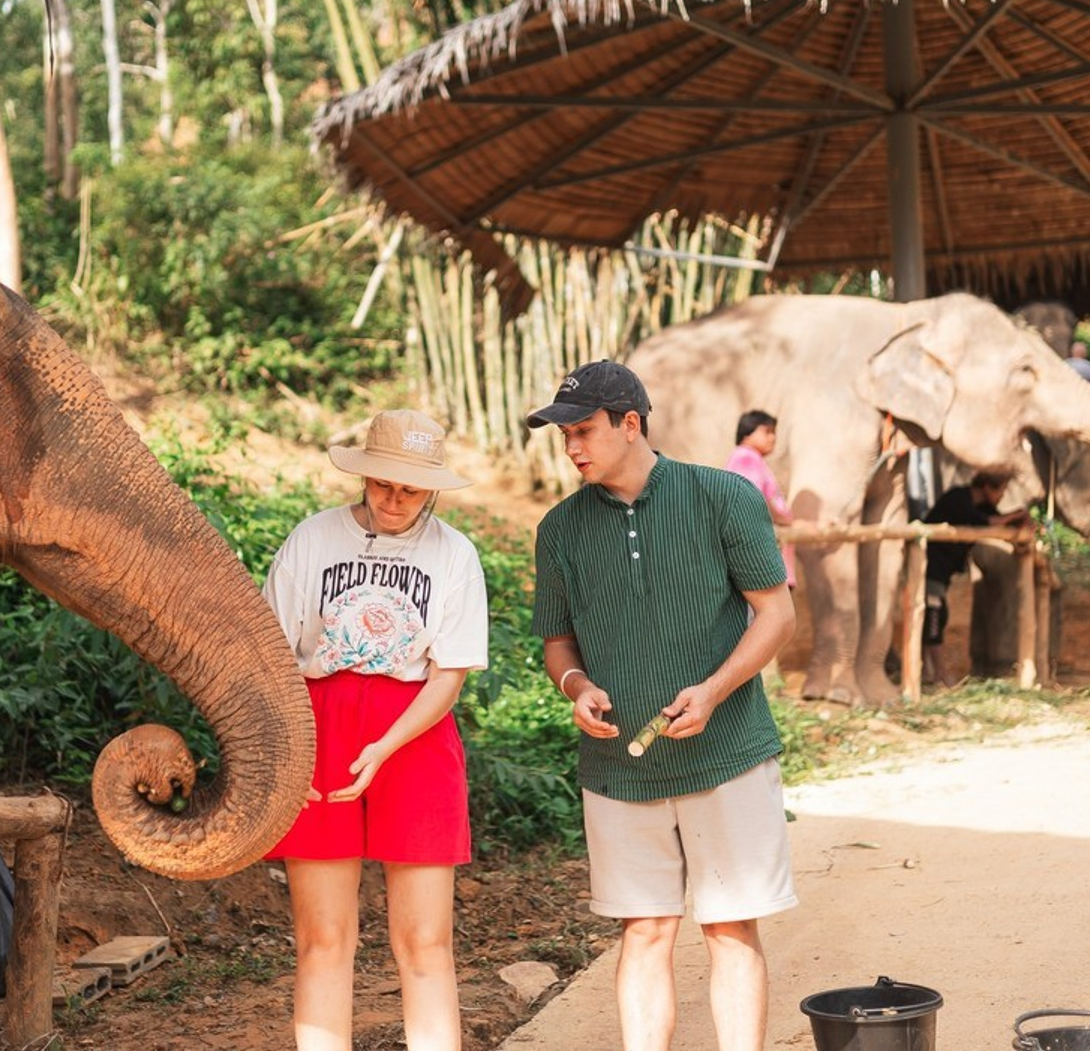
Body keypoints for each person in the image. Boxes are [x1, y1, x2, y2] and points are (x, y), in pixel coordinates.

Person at [527, 360, 798, 1051]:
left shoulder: (724, 497)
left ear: (630, 423)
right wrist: (576, 688)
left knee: (730, 927)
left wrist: (715, 689)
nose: (572, 448)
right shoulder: (560, 528)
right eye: (565, 435)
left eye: (583, 430)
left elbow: (775, 614)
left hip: (729, 754)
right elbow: (559, 644)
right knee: (644, 930)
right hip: (618, 769)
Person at [262, 409, 489, 1051]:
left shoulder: (454, 554)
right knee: (323, 938)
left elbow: (449, 676)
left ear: (434, 489)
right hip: (320, 727)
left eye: (411, 488)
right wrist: (289, 752)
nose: (394, 499)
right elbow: (274, 658)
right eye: (382, 483)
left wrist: (388, 746)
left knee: (424, 941)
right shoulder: (312, 540)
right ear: (362, 475)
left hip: (415, 734)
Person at [921, 471, 1029, 687]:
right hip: (927, 567)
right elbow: (985, 522)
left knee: (935, 616)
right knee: (935, 617)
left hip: (942, 572)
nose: (1001, 496)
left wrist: (1022, 521)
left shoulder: (983, 506)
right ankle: (938, 673)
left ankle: (927, 672)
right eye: (1001, 490)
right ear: (988, 486)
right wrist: (1014, 515)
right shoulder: (959, 498)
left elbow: (997, 522)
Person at [724, 410, 796, 589]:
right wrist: (783, 518)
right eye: (767, 431)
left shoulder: (750, 459)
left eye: (774, 433)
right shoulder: (746, 457)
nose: (772, 438)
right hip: (761, 566)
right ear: (747, 433)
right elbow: (752, 498)